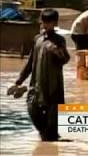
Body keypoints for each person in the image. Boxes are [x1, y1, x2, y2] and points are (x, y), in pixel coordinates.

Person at [12, 9, 70, 141]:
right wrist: (18, 81)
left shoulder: (59, 41)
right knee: (32, 109)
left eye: (49, 22)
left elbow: (65, 60)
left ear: (55, 23)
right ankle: (46, 136)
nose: (45, 24)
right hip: (36, 84)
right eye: (44, 21)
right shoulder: (37, 39)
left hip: (53, 86)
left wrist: (58, 51)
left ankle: (50, 144)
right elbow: (30, 63)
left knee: (52, 125)